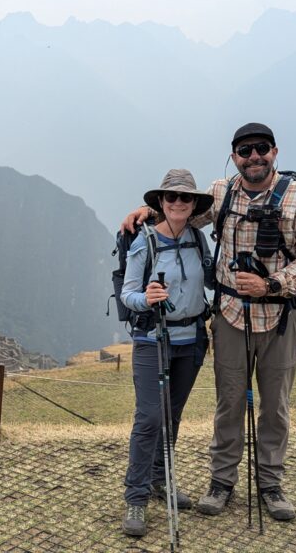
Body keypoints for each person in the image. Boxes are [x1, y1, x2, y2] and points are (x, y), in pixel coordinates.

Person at [121, 123, 296, 522]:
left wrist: (271, 283)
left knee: (275, 407)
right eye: (245, 151)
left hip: (281, 315)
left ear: (275, 152)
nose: (254, 157)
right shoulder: (221, 192)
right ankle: (221, 482)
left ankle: (271, 485)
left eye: (261, 149)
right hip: (231, 316)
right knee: (229, 402)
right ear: (234, 158)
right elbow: (183, 215)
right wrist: (147, 212)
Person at [119, 169, 214, 537]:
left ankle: (161, 480)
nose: (177, 203)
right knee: (148, 419)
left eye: (185, 199)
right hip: (152, 340)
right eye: (171, 198)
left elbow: (209, 280)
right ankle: (136, 498)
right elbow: (128, 293)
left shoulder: (198, 240)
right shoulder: (144, 242)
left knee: (171, 417)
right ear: (160, 203)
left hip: (191, 340)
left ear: (193, 206)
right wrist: (147, 298)